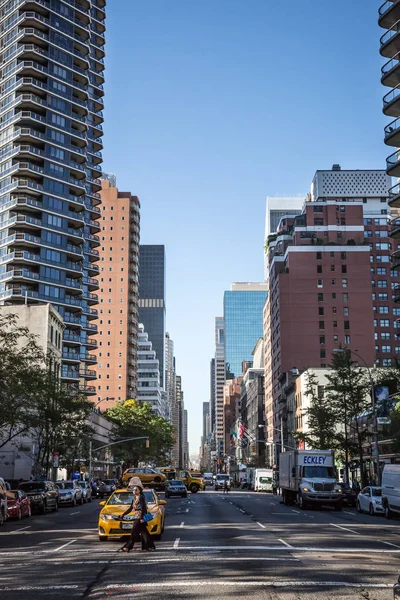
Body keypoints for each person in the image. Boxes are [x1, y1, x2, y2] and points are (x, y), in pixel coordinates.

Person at [120, 484, 155, 553]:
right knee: (144, 532)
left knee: (134, 532)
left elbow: (143, 508)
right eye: (134, 489)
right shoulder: (134, 498)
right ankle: (149, 546)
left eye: (136, 490)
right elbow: (130, 508)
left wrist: (142, 518)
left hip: (139, 517)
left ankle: (127, 547)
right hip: (136, 516)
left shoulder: (141, 497)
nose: (134, 491)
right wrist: (123, 514)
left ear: (139, 491)